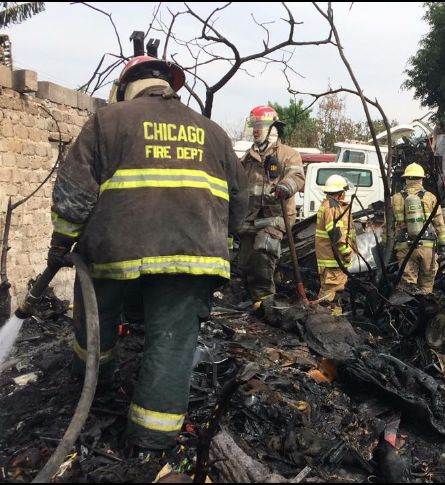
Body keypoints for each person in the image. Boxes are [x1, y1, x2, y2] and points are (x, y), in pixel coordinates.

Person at [46, 55, 248, 451]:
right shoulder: (213, 132)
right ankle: (152, 438)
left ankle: (92, 385)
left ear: (125, 87)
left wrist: (61, 243)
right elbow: (239, 203)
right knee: (172, 340)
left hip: (114, 251)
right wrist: (225, 237)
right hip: (194, 256)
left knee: (96, 319)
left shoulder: (107, 121)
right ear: (168, 85)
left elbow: (74, 193)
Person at [238, 105, 305, 310]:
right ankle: (253, 296)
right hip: (250, 218)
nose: (255, 130)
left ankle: (266, 301)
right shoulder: (247, 159)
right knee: (246, 262)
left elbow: (297, 176)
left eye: (259, 126)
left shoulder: (288, 154)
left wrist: (286, 186)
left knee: (263, 249)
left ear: (272, 128)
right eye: (253, 126)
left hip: (277, 216)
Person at [391, 163, 445, 294]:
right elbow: (439, 224)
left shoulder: (395, 198)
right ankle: (425, 302)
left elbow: (388, 226)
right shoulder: (430, 197)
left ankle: (409, 305)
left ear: (406, 179)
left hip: (405, 247)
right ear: (421, 179)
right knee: (427, 281)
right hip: (427, 246)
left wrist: (388, 245)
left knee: (408, 283)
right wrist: (442, 243)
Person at [314, 174, 356, 313]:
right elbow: (336, 234)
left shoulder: (331, 205)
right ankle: (325, 320)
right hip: (333, 260)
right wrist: (347, 253)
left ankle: (334, 319)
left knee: (335, 294)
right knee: (329, 295)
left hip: (332, 260)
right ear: (340, 193)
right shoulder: (332, 207)